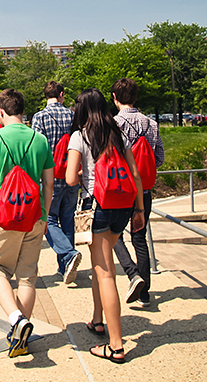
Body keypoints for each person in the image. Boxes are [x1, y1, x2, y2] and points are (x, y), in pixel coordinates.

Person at [66, 88, 145, 364]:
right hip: (122, 206)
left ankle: (115, 345)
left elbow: (70, 179)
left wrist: (79, 170)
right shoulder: (118, 133)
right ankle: (97, 319)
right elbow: (134, 172)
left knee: (105, 273)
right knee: (101, 265)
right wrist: (139, 209)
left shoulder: (80, 136)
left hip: (96, 207)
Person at [0, 88, 54, 357]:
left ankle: (16, 319)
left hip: (4, 216)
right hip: (34, 216)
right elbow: (49, 183)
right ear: (22, 110)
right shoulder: (41, 139)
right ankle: (21, 338)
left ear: (0, 112)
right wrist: (45, 216)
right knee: (27, 276)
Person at [111, 78, 165, 307]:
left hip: (121, 189)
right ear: (136, 97)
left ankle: (132, 274)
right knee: (140, 237)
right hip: (145, 189)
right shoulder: (151, 124)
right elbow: (159, 158)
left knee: (113, 235)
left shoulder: (113, 125)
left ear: (114, 97)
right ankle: (145, 293)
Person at [32, 81, 82, 284]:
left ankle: (68, 255)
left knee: (50, 219)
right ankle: (65, 267)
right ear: (61, 95)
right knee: (68, 219)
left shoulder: (39, 117)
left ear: (46, 96)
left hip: (49, 174)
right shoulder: (72, 115)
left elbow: (36, 147)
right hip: (71, 173)